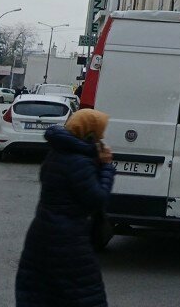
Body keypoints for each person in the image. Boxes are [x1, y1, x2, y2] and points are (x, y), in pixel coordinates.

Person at [15, 109, 116, 307]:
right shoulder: (79, 162)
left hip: (41, 234)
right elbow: (97, 198)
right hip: (68, 239)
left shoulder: (58, 153)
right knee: (83, 292)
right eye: (99, 134)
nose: (102, 139)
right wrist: (106, 168)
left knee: (41, 291)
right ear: (89, 134)